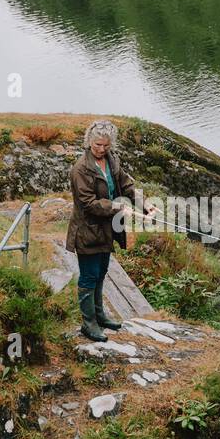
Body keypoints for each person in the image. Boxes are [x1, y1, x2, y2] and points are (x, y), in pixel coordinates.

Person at [66, 119, 148, 341]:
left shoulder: (112, 161)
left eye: (106, 145)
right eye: (97, 145)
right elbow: (88, 203)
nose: (102, 149)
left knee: (102, 273)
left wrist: (143, 203)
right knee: (89, 276)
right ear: (89, 142)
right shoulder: (80, 169)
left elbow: (127, 185)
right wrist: (116, 206)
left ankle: (100, 316)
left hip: (107, 229)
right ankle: (88, 323)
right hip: (88, 230)